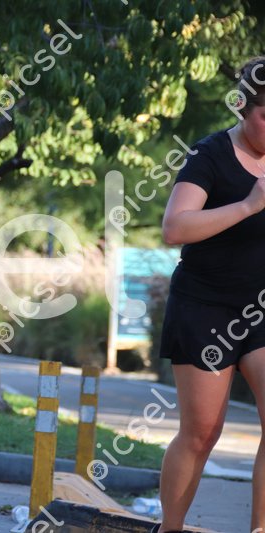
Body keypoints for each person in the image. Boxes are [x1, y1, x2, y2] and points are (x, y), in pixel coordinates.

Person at [156, 56, 265, 533]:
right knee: (202, 433)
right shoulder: (209, 154)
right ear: (242, 107)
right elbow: (174, 228)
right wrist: (248, 205)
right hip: (205, 308)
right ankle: (170, 528)